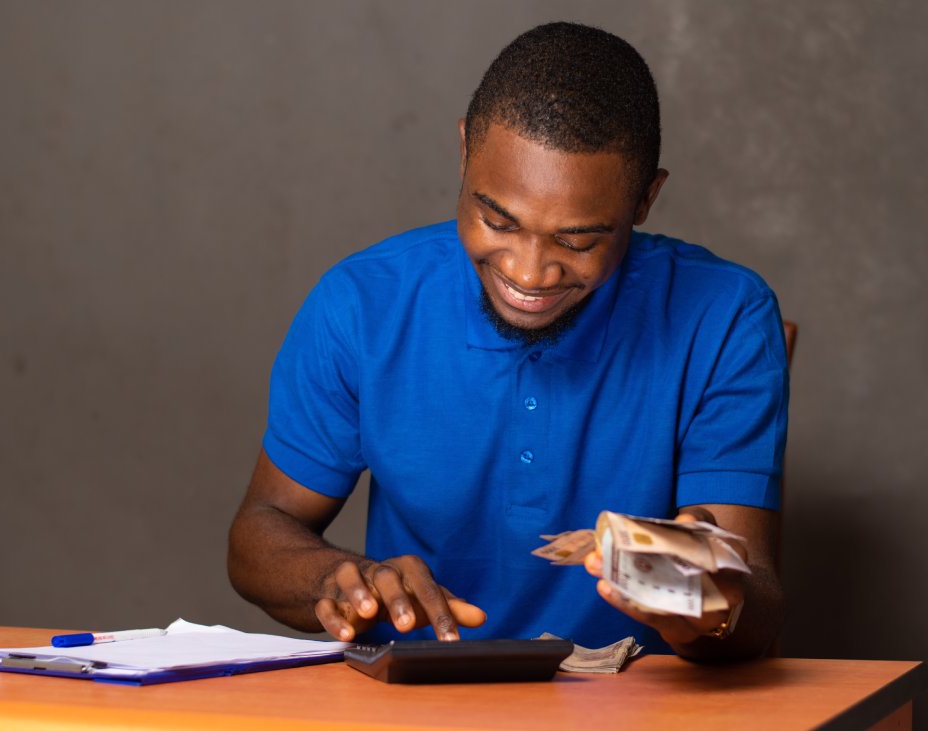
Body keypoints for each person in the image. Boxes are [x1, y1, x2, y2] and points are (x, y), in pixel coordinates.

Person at [228, 21, 788, 661]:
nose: (528, 272)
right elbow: (259, 531)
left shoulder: (724, 316)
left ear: (645, 199)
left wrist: (698, 604)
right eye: (497, 221)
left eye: (577, 242)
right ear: (465, 151)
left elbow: (758, 606)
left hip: (633, 708)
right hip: (414, 704)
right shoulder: (362, 303)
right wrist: (334, 577)